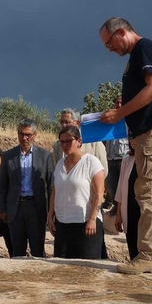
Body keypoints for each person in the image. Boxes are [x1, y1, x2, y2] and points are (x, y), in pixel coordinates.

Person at [100, 17, 152, 274]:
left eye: (109, 43)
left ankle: (149, 255)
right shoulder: (137, 55)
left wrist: (121, 112)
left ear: (121, 32)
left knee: (147, 191)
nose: (110, 49)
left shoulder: (144, 48)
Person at [52, 108, 109, 258]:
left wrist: (92, 219)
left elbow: (99, 189)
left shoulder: (93, 154)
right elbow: (55, 189)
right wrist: (50, 216)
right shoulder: (59, 163)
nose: (64, 145)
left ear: (78, 141)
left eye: (68, 141)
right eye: (62, 142)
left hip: (86, 218)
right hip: (63, 222)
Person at [0, 119, 54, 258]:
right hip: (15, 208)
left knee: (37, 248)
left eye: (28, 134)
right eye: (21, 134)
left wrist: (51, 211)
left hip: (36, 207)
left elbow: (51, 185)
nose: (24, 138)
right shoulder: (8, 156)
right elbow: (2, 185)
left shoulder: (45, 156)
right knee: (17, 249)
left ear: (35, 135)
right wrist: (2, 209)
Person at [52, 109, 108, 177]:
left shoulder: (94, 143)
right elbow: (56, 172)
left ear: (77, 123)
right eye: (62, 122)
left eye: (67, 122)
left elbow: (103, 170)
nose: (64, 125)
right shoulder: (57, 146)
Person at [105, 96, 129, 215]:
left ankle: (123, 209)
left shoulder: (129, 119)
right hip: (110, 157)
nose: (119, 105)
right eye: (117, 102)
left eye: (121, 102)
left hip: (123, 157)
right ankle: (115, 206)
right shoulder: (110, 119)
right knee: (110, 185)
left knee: (123, 186)